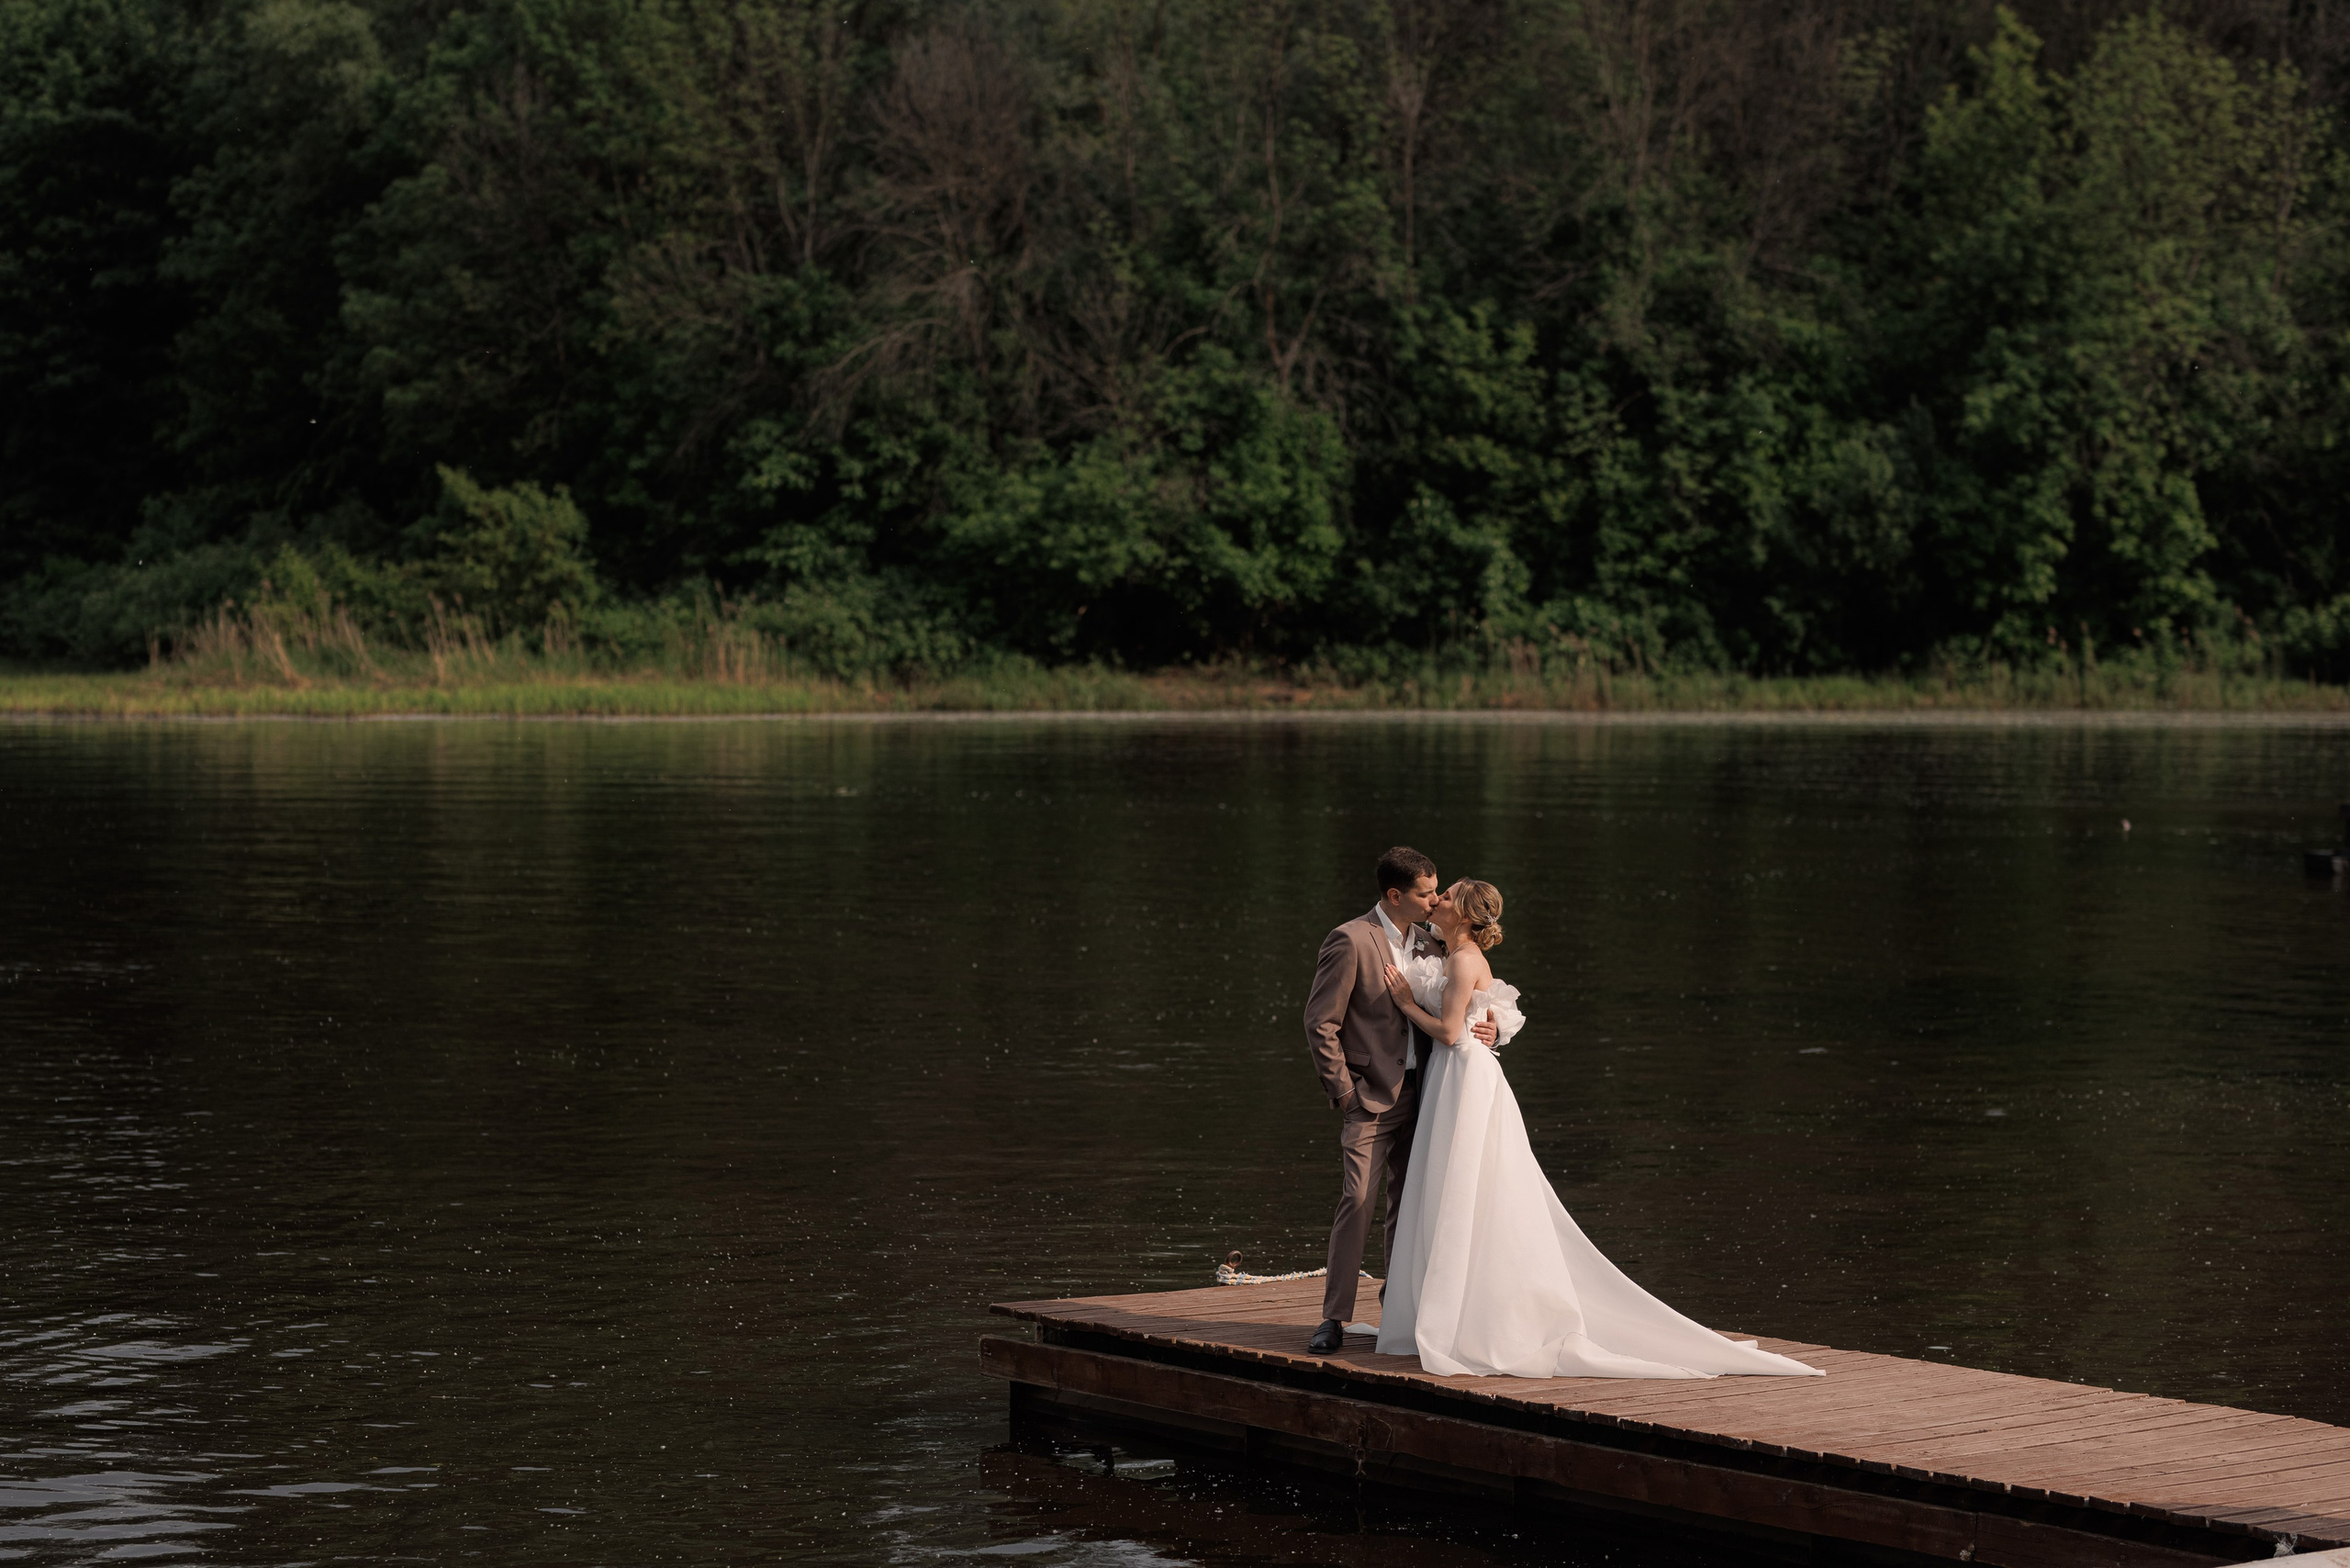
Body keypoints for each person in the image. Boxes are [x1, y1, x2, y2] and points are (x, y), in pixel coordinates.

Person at [1372, 878, 1823, 1378]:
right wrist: (1495, 1021)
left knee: (1471, 1183)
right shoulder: (1445, 946)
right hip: (1453, 1074)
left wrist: (1405, 1002)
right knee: (1451, 1183)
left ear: (1468, 915)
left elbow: (1453, 1030)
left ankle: (1470, 1316)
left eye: (1448, 896)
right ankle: (1446, 1307)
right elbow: (1496, 1004)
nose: (1437, 901)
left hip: (1464, 1072)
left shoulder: (1462, 957)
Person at [1301, 847, 1496, 1355]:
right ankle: (1334, 1318)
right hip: (1370, 1096)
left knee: (1413, 1204)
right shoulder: (1351, 940)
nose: (1436, 900)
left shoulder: (1435, 943)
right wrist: (1344, 1091)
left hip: (1430, 1093)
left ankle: (1400, 1304)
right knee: (1359, 1200)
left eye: (1438, 892)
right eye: (1426, 893)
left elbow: (1471, 999)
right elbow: (1321, 1023)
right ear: (1395, 896)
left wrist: (1491, 1026)